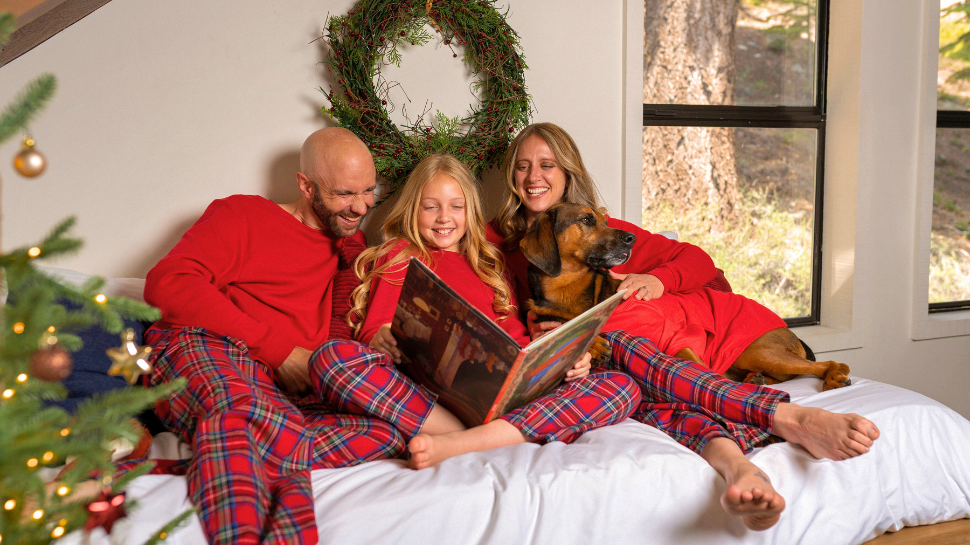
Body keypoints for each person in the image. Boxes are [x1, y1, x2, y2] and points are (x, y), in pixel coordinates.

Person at [487, 121, 881, 530]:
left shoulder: (603, 234)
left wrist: (657, 279)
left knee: (637, 359)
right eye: (522, 166)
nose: (534, 177)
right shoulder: (495, 242)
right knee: (644, 398)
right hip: (618, 368)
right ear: (511, 177)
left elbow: (698, 262)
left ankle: (784, 422)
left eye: (547, 165)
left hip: (680, 341)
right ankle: (739, 466)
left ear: (568, 174)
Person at [143, 128, 400, 545]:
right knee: (242, 411)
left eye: (369, 190)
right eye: (344, 194)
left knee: (386, 434)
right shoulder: (242, 215)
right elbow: (167, 283)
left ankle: (198, 463)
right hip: (207, 346)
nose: (361, 206)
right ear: (305, 185)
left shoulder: (353, 253)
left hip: (280, 397)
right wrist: (280, 352)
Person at [309, 153, 641, 470]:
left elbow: (519, 338)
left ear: (470, 212)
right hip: (439, 401)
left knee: (620, 387)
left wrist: (566, 357)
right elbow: (374, 329)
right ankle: (474, 436)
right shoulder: (399, 256)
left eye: (457, 206)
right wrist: (381, 336)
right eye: (430, 207)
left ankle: (464, 442)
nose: (444, 217)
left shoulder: (489, 265)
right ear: (412, 209)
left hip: (510, 395)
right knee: (332, 358)